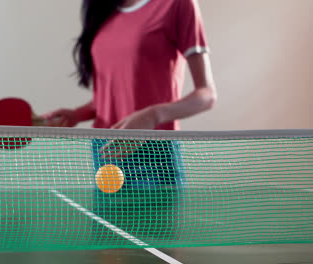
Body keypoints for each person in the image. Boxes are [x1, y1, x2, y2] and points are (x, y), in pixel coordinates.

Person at [44, 0, 217, 239]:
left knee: (156, 245)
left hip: (154, 154)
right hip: (105, 151)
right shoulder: (103, 10)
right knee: (109, 244)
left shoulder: (177, 5)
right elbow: (113, 94)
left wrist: (152, 115)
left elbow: (206, 95)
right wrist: (77, 114)